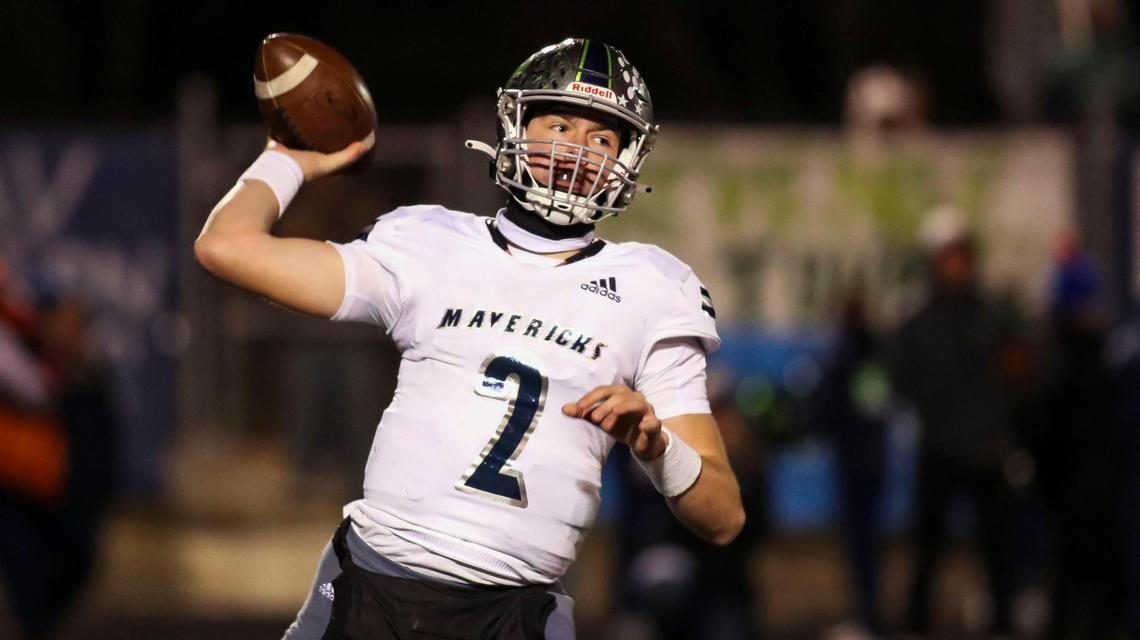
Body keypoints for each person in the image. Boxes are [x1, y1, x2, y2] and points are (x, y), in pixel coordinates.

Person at [195, 38, 745, 640]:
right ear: (517, 126)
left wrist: (658, 447)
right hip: (374, 586)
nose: (576, 150)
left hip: (518, 612)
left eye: (601, 138)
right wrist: (287, 158)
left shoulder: (654, 287)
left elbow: (723, 517)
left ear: (627, 158)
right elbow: (227, 247)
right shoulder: (427, 242)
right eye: (560, 124)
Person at [889, 206, 1019, 636]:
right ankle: (916, 625)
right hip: (940, 451)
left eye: (962, 256)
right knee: (928, 550)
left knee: (998, 552)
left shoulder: (992, 315)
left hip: (987, 452)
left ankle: (1002, 623)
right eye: (948, 257)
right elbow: (900, 378)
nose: (956, 266)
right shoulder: (918, 319)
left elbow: (1016, 375)